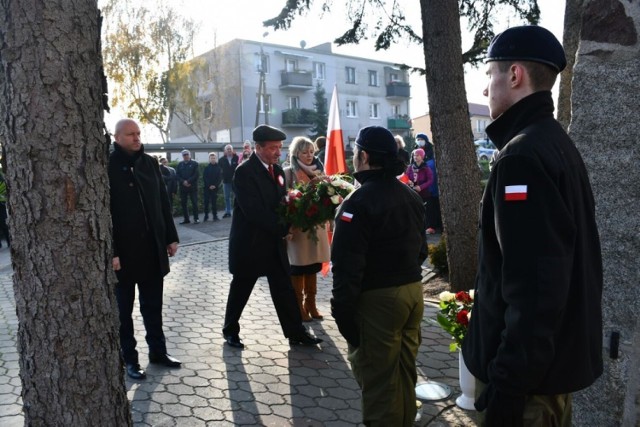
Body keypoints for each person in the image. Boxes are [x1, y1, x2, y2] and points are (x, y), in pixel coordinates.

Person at [461, 25, 603, 426]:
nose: (486, 90)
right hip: (543, 376)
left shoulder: (522, 155)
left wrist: (507, 391)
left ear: (515, 75)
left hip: (529, 391)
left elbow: (535, 289)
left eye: (490, 75)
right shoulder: (554, 140)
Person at [331, 126, 427, 426]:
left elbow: (347, 269)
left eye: (355, 151)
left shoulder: (356, 204)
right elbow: (422, 250)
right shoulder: (409, 195)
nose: (352, 156)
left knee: (378, 385)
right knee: (404, 374)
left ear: (364, 156)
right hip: (413, 293)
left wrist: (343, 316)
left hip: (379, 301)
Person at [222, 124, 323, 349]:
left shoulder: (277, 171)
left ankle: (296, 332)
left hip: (273, 243)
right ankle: (230, 330)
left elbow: (281, 203)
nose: (278, 152)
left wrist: (295, 214)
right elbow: (254, 211)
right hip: (250, 243)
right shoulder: (244, 172)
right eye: (273, 148)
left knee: (284, 288)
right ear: (258, 148)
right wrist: (283, 227)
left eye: (280, 147)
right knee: (241, 288)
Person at [108, 118, 182, 380]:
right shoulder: (107, 165)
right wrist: (112, 252)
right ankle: (129, 359)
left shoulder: (149, 162)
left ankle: (158, 352)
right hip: (124, 255)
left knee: (152, 306)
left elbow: (163, 201)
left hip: (152, 249)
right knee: (123, 312)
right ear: (116, 137)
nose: (136, 138)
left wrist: (170, 238)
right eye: (130, 134)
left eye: (138, 133)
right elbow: (103, 213)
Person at [283, 136, 330, 322]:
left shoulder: (320, 170)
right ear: (296, 153)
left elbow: (326, 195)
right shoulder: (288, 172)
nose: (309, 155)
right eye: (304, 152)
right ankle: (298, 306)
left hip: (316, 227)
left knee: (313, 266)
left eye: (311, 152)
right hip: (298, 228)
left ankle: (311, 304)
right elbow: (284, 200)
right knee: (298, 267)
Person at [405, 148, 434, 234]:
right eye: (414, 155)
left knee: (426, 211)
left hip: (424, 193)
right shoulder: (410, 167)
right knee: (413, 209)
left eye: (417, 155)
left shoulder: (426, 168)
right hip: (413, 192)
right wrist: (408, 182)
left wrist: (421, 187)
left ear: (422, 157)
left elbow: (430, 180)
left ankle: (429, 227)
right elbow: (406, 177)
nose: (415, 157)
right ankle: (414, 226)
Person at [422, 141, 442, 233]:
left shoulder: (429, 163)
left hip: (430, 190)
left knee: (431, 209)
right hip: (436, 190)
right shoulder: (436, 162)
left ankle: (432, 226)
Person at [176, 149, 199, 224]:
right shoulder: (180, 164)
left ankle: (196, 218)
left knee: (194, 203)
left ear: (189, 155)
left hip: (192, 187)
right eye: (184, 155)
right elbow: (177, 175)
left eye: (187, 154)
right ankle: (186, 219)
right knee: (184, 203)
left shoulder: (195, 163)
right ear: (182, 156)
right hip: (183, 187)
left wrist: (188, 181)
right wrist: (183, 182)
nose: (186, 156)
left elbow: (196, 175)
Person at [219, 144, 238, 218]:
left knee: (236, 197)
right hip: (226, 182)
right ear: (225, 151)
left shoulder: (237, 158)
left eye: (230, 149)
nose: (229, 150)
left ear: (232, 150)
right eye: (227, 149)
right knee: (227, 197)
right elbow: (219, 171)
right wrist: (222, 178)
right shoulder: (221, 160)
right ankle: (228, 212)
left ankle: (237, 211)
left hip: (235, 181)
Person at [203, 152, 222, 222]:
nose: (213, 159)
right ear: (209, 159)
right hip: (207, 188)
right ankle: (206, 216)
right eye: (211, 158)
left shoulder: (218, 168)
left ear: (216, 159)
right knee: (206, 202)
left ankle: (215, 216)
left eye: (214, 158)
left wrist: (215, 185)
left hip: (215, 188)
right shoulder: (206, 168)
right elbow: (205, 178)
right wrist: (209, 185)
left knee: (214, 203)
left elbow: (219, 178)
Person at [0, 170, 9, 248]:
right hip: (1, 201)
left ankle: (9, 241)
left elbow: (3, 187)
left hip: (1, 202)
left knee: (4, 223)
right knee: (3, 223)